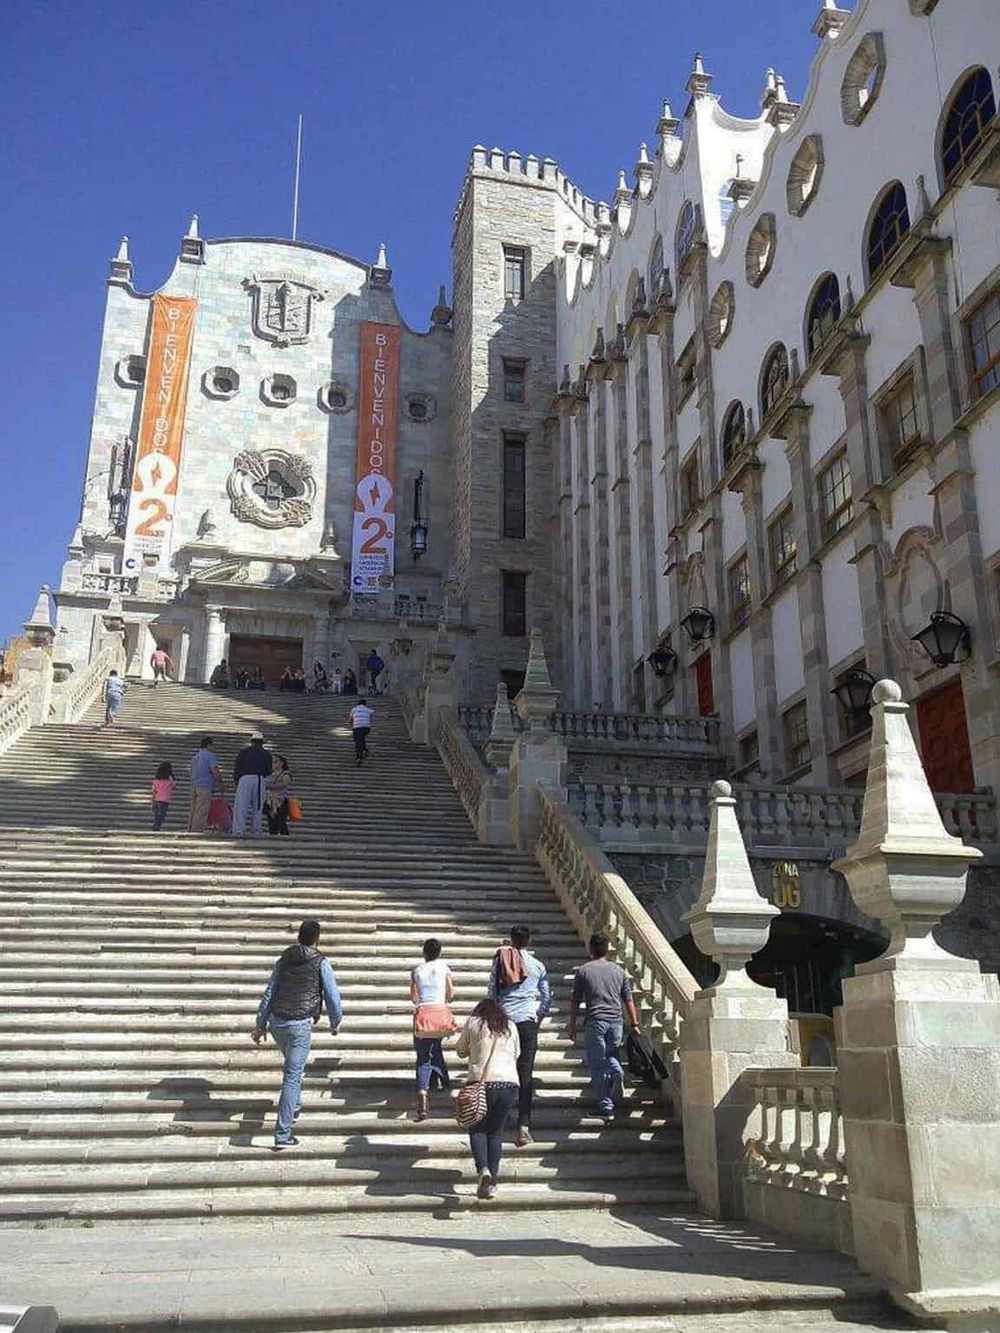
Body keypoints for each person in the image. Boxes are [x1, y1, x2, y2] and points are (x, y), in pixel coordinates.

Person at [252, 919, 342, 1149]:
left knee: (294, 1070)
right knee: (292, 1077)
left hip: (277, 1023)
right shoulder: (321, 961)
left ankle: (294, 1105)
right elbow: (332, 994)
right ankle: (283, 1134)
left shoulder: (284, 959)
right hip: (299, 1024)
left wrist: (260, 1023)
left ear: (298, 937)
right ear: (317, 939)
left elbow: (270, 991)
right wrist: (335, 1020)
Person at [487, 924, 551, 1147]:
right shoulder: (537, 965)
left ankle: (498, 1120)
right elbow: (546, 997)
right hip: (526, 1021)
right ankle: (524, 1127)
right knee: (525, 1074)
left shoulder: (500, 959)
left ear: (511, 939)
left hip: (505, 1020)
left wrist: (495, 1015)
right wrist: (539, 1016)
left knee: (500, 1070)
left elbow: (492, 991)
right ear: (529, 940)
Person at [567, 933, 641, 1125]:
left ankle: (606, 1107)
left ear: (591, 949)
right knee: (612, 1054)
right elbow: (628, 999)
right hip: (616, 1021)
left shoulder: (584, 971)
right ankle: (617, 1070)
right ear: (607, 949)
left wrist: (572, 1024)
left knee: (599, 1066)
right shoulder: (618, 971)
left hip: (595, 1021)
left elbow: (575, 1000)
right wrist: (634, 1023)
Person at [456, 998, 520, 1200]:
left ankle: (483, 1169)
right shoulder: (510, 1025)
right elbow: (517, 1053)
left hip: (480, 1083)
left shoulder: (474, 1022)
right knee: (496, 1132)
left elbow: (460, 1050)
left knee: (477, 1129)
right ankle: (492, 1182)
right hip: (508, 1083)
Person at [410, 938, 454, 1121]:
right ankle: (445, 1083)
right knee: (435, 1047)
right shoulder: (445, 968)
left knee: (423, 1058)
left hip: (424, 1016)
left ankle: (423, 1098)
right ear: (439, 952)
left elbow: (414, 998)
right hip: (441, 1015)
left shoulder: (416, 971)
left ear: (424, 953)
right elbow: (450, 994)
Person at [232, 731, 273, 838]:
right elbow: (269, 770)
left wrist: (236, 781)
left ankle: (238, 830)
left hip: (245, 778)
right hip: (260, 779)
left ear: (252, 742)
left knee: (241, 806)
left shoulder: (244, 752)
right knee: (258, 807)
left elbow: (238, 767)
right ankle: (256, 831)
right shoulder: (266, 754)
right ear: (262, 742)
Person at [189, 736, 223, 833]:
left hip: (194, 785)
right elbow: (214, 770)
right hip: (205, 785)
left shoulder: (194, 757)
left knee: (194, 809)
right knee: (202, 809)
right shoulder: (210, 755)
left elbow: (191, 772)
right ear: (208, 745)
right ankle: (197, 829)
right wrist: (220, 782)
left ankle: (190, 827)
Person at [266, 755, 293, 837]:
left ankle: (285, 837)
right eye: (272, 762)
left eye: (276, 762)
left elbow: (285, 784)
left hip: (282, 800)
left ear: (282, 763)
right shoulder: (270, 774)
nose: (273, 764)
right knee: (271, 821)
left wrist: (270, 787)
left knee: (281, 821)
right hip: (270, 800)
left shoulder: (285, 774)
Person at [151, 761, 176, 830]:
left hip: (157, 799)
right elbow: (174, 786)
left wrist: (153, 800)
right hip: (165, 800)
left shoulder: (156, 780)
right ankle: (156, 827)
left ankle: (156, 826)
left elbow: (154, 790)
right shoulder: (170, 779)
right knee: (162, 815)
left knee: (158, 815)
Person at [349, 697, 373, 765]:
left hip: (357, 727)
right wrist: (385, 715)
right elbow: (376, 714)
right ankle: (365, 750)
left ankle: (359, 757)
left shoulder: (354, 709)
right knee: (361, 738)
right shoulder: (367, 709)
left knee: (358, 742)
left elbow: (350, 720)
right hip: (366, 728)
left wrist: (352, 726)